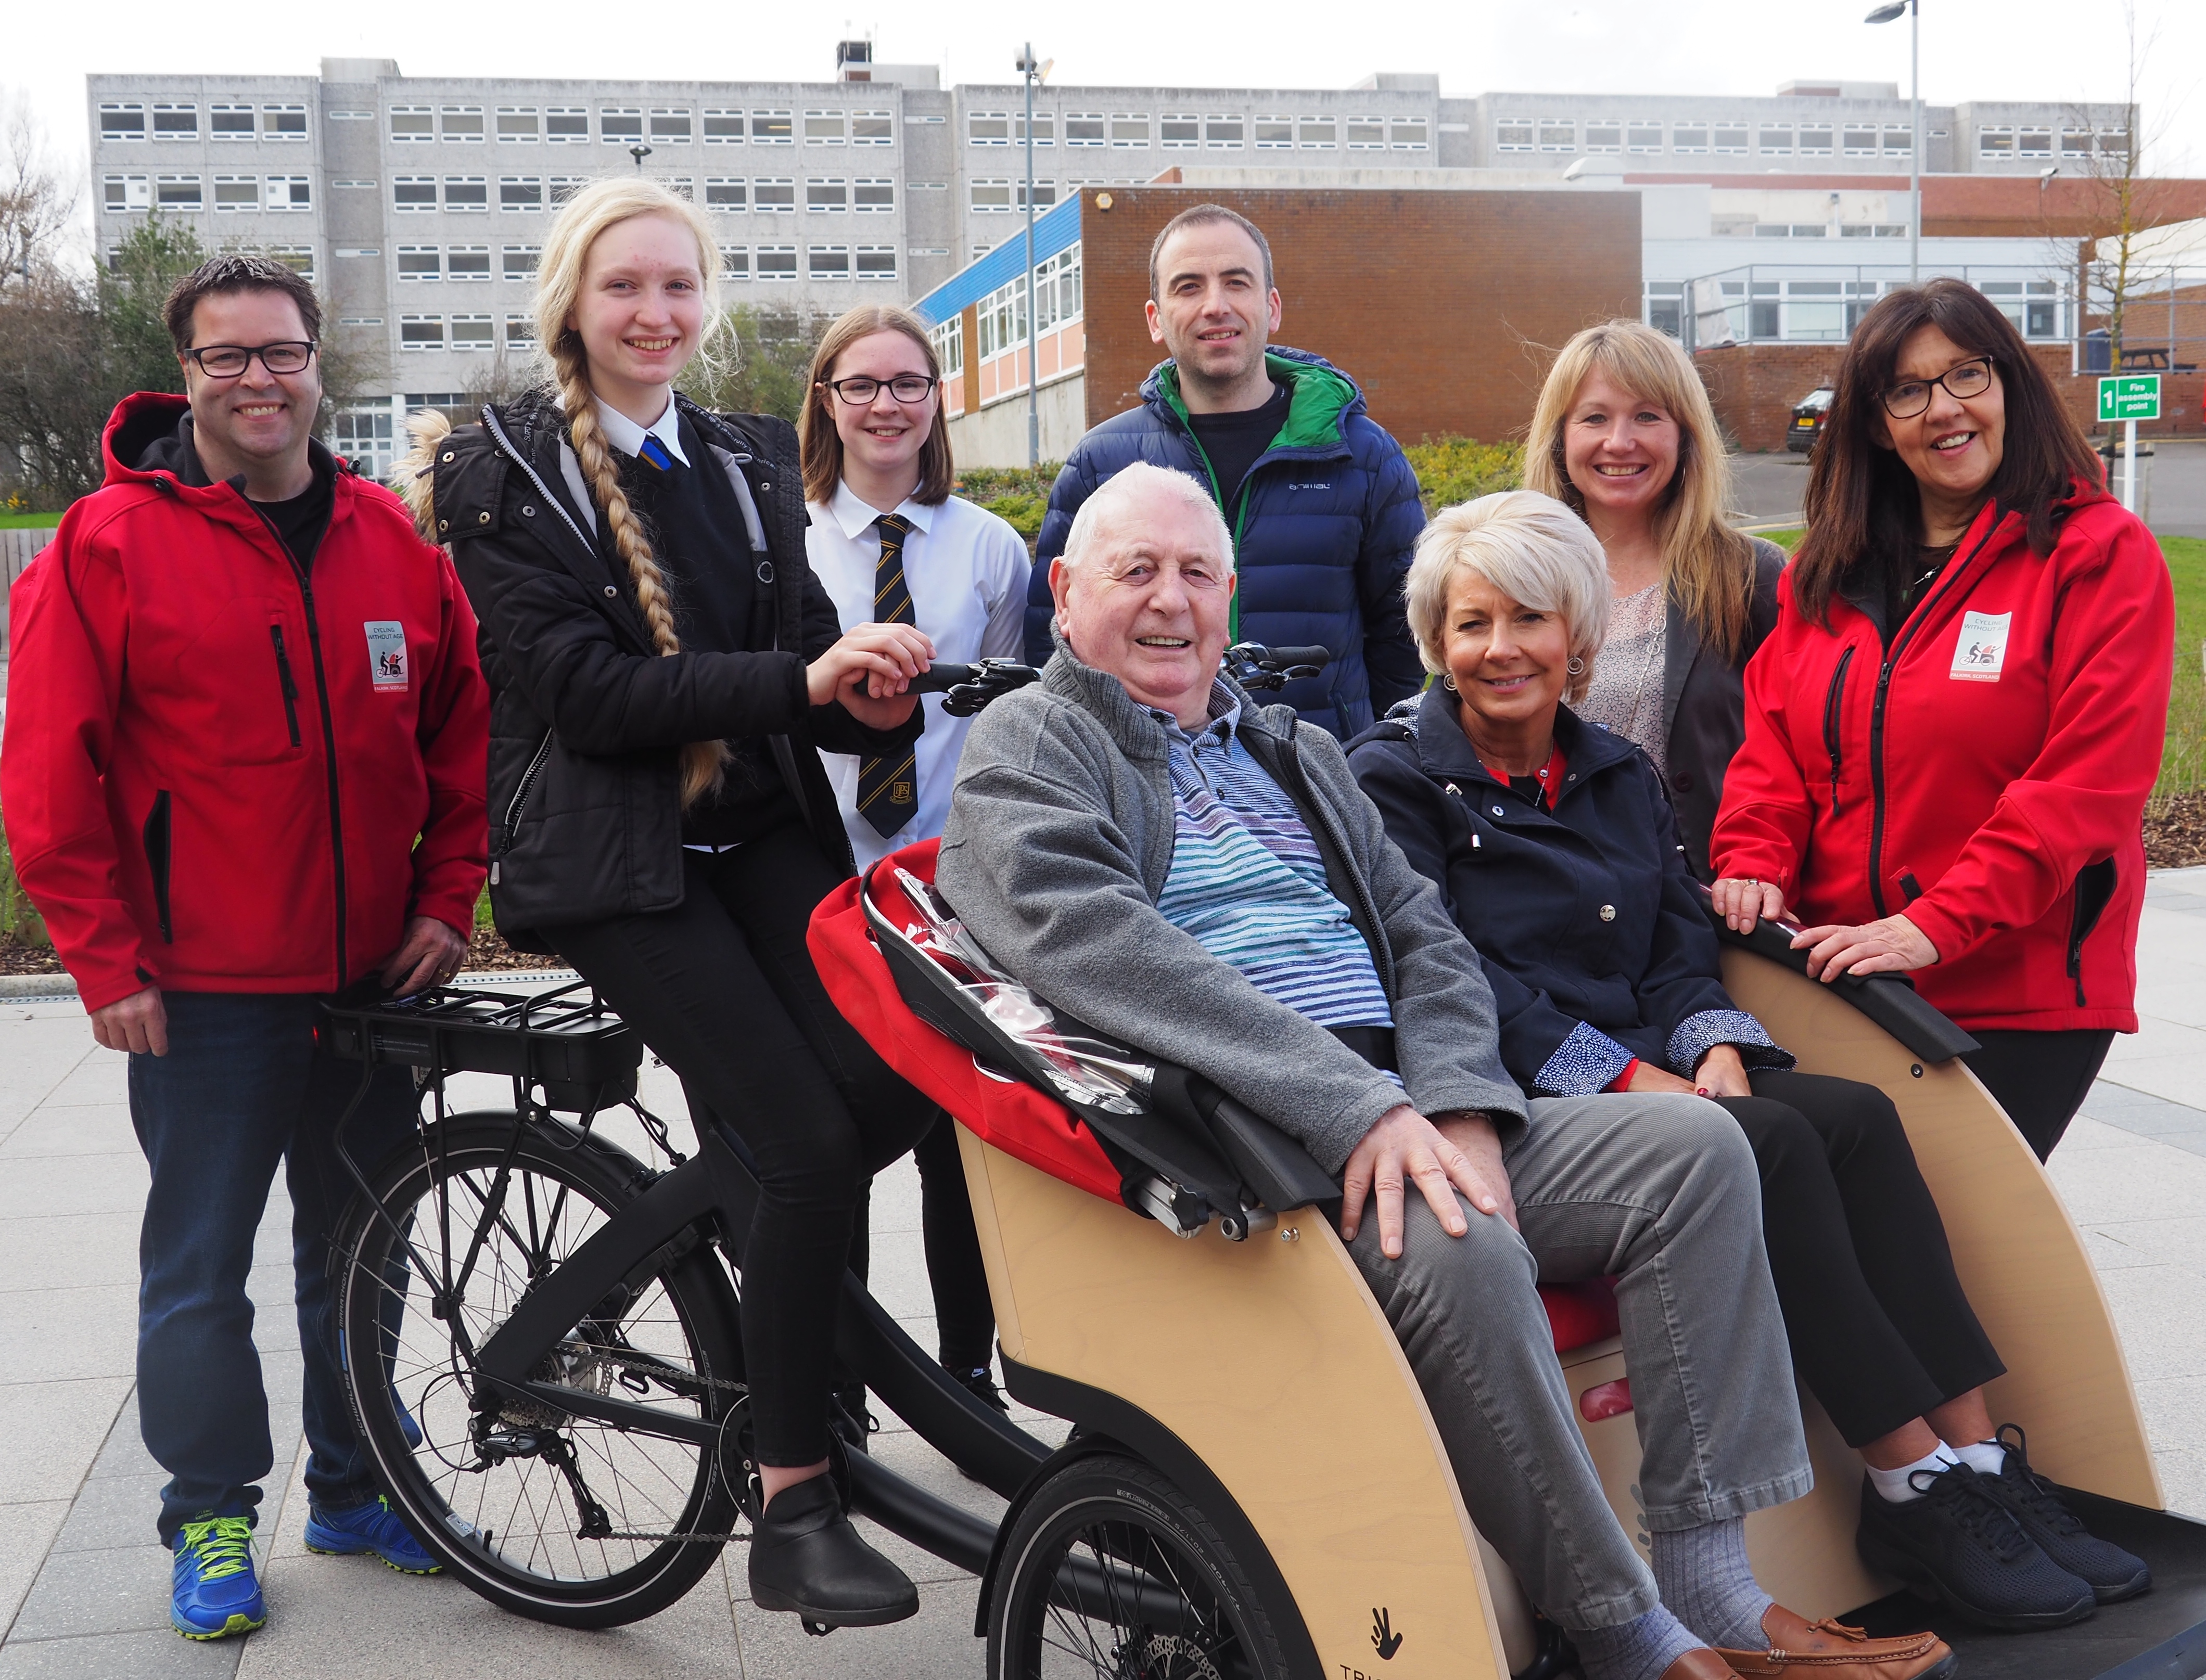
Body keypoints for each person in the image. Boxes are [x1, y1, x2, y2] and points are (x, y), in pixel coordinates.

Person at [942, 459, 1957, 1680]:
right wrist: (1361, 1107)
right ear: (1063, 593)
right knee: (1463, 1239)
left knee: (1703, 1151)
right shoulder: (1029, 743)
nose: (1171, 602)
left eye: (1198, 573)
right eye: (1136, 572)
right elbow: (1101, 948)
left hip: (1415, 1102)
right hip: (1267, 1141)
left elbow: (1423, 934)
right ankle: (1624, 1628)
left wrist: (1462, 1104)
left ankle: (1712, 1582)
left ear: (1230, 595)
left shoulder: (1290, 747)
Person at [1349, 489, 2148, 1633]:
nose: (1500, 649)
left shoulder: (1614, 769)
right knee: (1766, 1140)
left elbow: (1679, 938)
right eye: (1471, 625)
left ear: (1574, 634)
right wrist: (1633, 1081)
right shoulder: (1394, 779)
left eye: (1528, 619)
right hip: (1518, 1095)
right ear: (1437, 641)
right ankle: (1905, 1481)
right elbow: (1454, 976)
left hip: (1652, 1073)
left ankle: (1978, 1461)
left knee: (1856, 1115)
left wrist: (1714, 1042)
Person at [401, 178, 938, 1628]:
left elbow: (798, 665)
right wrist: (798, 684)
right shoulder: (506, 464)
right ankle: (793, 1498)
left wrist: (871, 697)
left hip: (748, 836)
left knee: (897, 1087)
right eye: (624, 286)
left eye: (678, 288)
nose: (654, 313)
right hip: (607, 860)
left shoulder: (747, 452)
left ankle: (693, 1231)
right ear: (573, 300)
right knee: (807, 1140)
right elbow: (582, 693)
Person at [1, 255, 489, 1638]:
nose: (257, 379)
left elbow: (462, 730)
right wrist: (105, 958)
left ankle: (356, 1483)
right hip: (201, 988)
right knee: (199, 1266)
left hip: (367, 976)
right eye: (226, 357)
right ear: (186, 373)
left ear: (317, 362)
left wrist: (449, 896)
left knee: (363, 1245)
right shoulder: (105, 544)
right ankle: (210, 1510)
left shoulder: (393, 543)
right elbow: (46, 770)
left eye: (280, 352)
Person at [1709, 279, 2176, 1162]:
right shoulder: (1826, 570)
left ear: (2008, 385)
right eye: (1907, 389)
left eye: (1965, 374)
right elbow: (1773, 750)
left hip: (2017, 987)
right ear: (1875, 421)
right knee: (1852, 1249)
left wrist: (1932, 923)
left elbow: (2086, 783)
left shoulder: (2095, 553)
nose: (1943, 409)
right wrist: (1751, 861)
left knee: (1964, 1256)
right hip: (1844, 978)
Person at [798, 303, 1028, 1415]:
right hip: (819, 875)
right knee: (826, 1133)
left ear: (937, 403)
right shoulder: (784, 540)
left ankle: (967, 1372)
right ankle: (831, 1373)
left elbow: (1008, 719)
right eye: (862, 385)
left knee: (957, 1138)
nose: (886, 405)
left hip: (948, 879)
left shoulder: (990, 548)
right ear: (827, 402)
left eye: (909, 384)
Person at [1023, 203, 1424, 739]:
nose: (1216, 306)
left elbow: (1409, 637)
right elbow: (1052, 639)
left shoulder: (1363, 456)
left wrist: (1361, 754)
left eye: (1237, 282)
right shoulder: (1101, 463)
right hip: (1141, 790)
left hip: (1322, 783)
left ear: (1271, 306)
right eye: (1188, 287)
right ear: (1155, 318)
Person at [1523, 320, 1787, 877]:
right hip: (1547, 893)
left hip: (1705, 902)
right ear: (1559, 437)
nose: (1620, 442)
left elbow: (1798, 754)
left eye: (1647, 416)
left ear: (1685, 434)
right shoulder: (1519, 577)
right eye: (1594, 417)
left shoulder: (1750, 577)